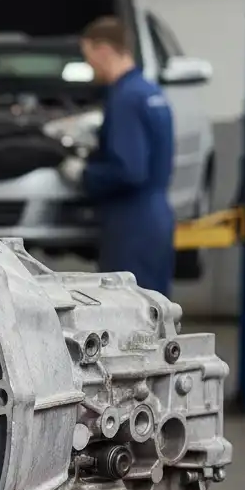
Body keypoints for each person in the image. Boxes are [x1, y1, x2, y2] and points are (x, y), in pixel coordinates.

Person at [60, 15, 177, 296]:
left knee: (130, 314)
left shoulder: (124, 98)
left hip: (130, 224)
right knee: (155, 310)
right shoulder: (149, 92)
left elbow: (129, 170)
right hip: (156, 218)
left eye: (87, 55)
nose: (89, 66)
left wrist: (82, 173)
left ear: (102, 49)